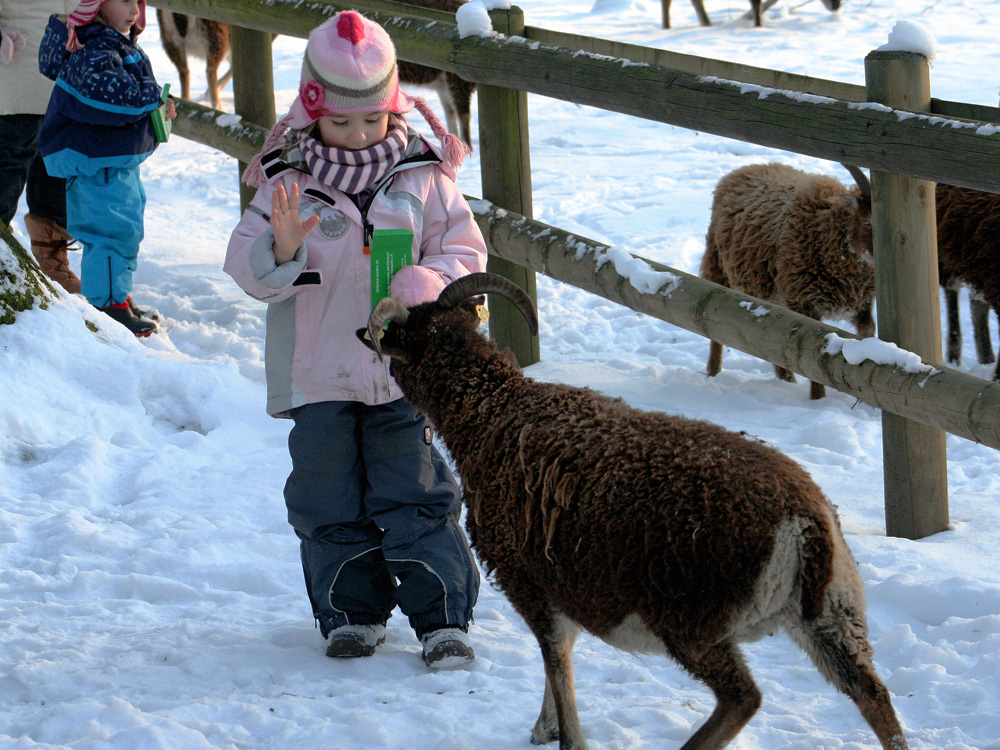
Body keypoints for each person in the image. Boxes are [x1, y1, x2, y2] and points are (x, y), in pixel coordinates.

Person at [225, 10, 485, 668]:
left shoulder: (424, 174)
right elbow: (245, 266)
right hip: (317, 378)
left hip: (405, 377)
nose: (358, 133)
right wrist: (280, 249)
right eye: (340, 122)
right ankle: (350, 612)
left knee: (416, 493)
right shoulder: (286, 180)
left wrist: (430, 280)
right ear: (312, 114)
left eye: (371, 119)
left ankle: (442, 618)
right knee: (326, 499)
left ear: (392, 105)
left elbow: (465, 254)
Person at [36, 0, 172, 336]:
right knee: (111, 232)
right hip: (99, 162)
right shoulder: (96, 48)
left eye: (137, 2)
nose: (135, 10)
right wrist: (152, 96)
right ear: (96, 5)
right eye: (124, 1)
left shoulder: (109, 43)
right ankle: (107, 306)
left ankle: (118, 297)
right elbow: (105, 97)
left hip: (112, 159)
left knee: (125, 229)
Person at [0, 0, 79, 293]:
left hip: (73, 60)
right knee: (12, 154)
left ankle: (52, 265)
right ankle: (2, 257)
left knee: (57, 161)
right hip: (17, 54)